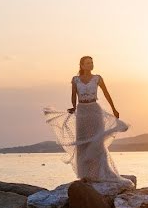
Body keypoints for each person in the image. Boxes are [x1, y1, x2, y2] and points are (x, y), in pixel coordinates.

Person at [43, 55, 133, 185]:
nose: (91, 65)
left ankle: (101, 172)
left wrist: (114, 109)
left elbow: (107, 93)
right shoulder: (75, 80)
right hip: (82, 112)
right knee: (83, 144)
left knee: (97, 142)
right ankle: (85, 174)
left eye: (92, 63)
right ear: (82, 65)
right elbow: (74, 96)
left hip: (95, 111)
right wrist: (73, 107)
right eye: (88, 63)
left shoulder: (98, 78)